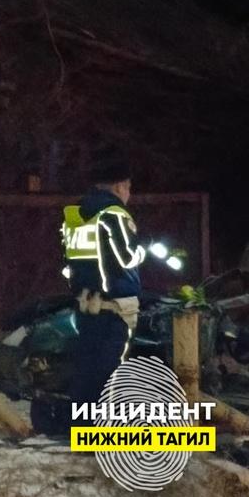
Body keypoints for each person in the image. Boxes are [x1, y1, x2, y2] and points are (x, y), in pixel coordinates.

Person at [52, 164, 151, 432]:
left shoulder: (76, 214)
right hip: (115, 307)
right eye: (128, 187)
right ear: (119, 186)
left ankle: (80, 427)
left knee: (86, 367)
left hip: (85, 305)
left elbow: (67, 262)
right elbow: (127, 256)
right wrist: (145, 249)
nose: (129, 194)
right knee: (111, 371)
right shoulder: (114, 214)